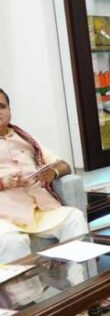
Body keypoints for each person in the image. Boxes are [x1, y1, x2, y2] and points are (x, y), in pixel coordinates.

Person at [0, 88, 89, 263]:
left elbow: (64, 165)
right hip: (4, 215)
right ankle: (23, 283)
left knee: (74, 218)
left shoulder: (25, 139)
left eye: (1, 106)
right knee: (14, 242)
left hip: (39, 209)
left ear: (9, 110)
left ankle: (77, 276)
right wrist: (4, 182)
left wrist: (53, 173)